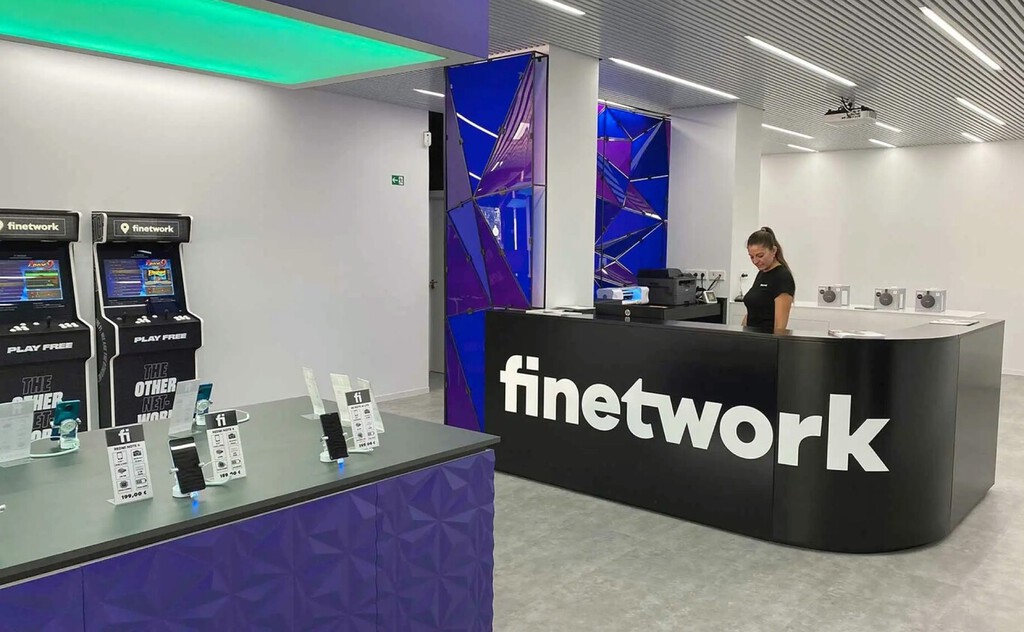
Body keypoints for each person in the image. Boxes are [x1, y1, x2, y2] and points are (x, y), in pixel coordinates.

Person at [741, 226, 795, 331]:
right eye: (751, 257)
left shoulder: (782, 277)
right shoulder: (762, 273)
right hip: (750, 337)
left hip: (766, 339)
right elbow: (752, 312)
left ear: (773, 251)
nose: (755, 261)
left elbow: (780, 327)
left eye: (760, 256)